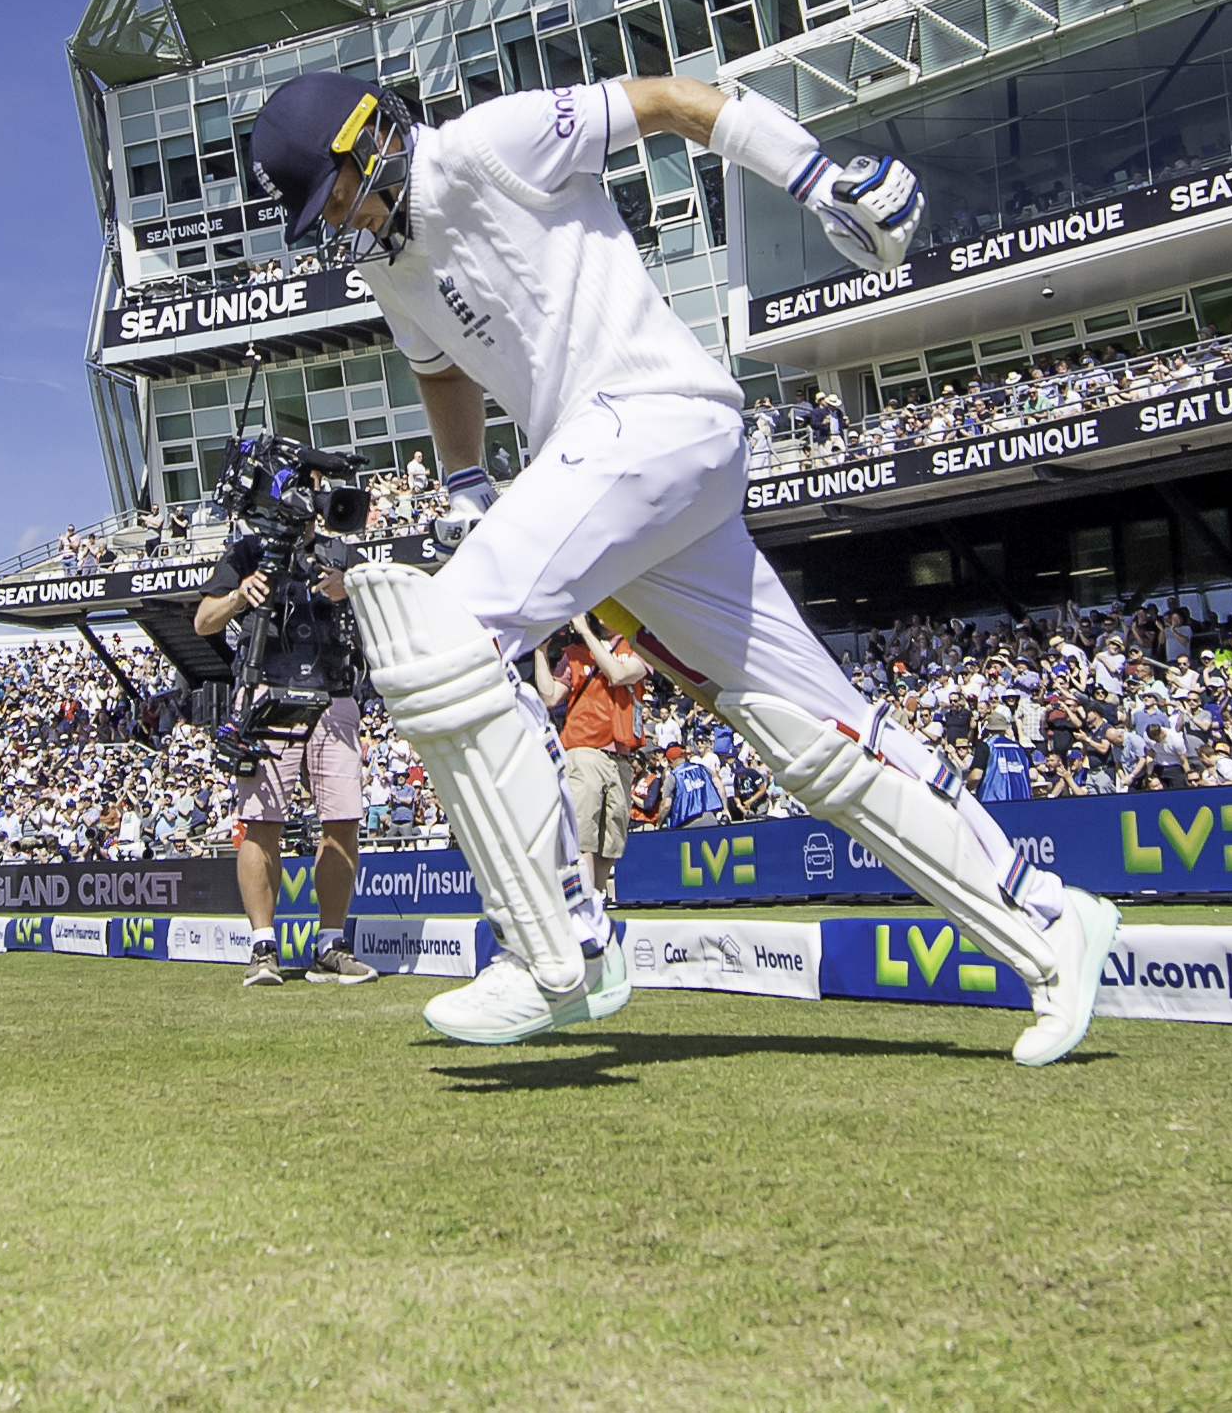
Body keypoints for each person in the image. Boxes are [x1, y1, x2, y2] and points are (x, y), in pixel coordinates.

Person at [241, 67, 1122, 1062]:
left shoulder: (491, 141)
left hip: (649, 417)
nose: (342, 221)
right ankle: (1049, 927)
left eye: (339, 191)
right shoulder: (387, 269)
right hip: (629, 477)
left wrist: (817, 177)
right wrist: (467, 487)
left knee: (441, 641)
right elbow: (440, 365)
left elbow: (665, 102)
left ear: (377, 140)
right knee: (811, 737)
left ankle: (561, 954)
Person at [193, 483, 383, 987]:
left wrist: (354, 587)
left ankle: (331, 944)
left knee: (342, 820)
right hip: (266, 689)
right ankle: (263, 948)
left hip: (335, 692)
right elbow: (202, 621)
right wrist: (240, 594)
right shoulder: (249, 549)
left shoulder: (341, 552)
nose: (306, 507)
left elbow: (385, 609)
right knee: (262, 823)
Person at [532, 615, 645, 907]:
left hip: (620, 755)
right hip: (583, 750)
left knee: (611, 839)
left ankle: (595, 902)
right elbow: (549, 697)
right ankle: (584, 903)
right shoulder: (573, 655)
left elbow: (619, 675)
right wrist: (540, 652)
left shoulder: (637, 649)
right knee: (584, 833)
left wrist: (585, 632)